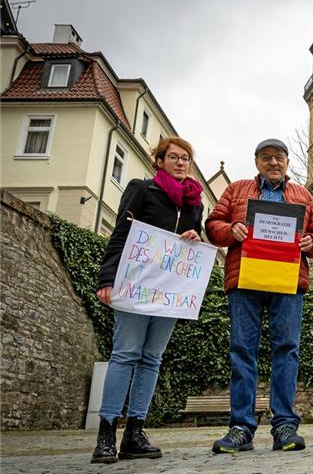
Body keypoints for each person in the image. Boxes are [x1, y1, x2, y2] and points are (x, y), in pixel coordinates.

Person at [205, 138, 313, 453]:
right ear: (257, 162)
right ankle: (241, 428)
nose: (273, 163)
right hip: (246, 279)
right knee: (242, 350)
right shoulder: (236, 190)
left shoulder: (303, 195)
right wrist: (232, 230)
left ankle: (284, 426)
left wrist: (312, 242)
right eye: (267, 158)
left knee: (287, 349)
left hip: (287, 281)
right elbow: (213, 225)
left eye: (279, 158)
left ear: (287, 162)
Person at [92, 137, 204, 464]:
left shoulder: (194, 202)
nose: (180, 163)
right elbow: (120, 235)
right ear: (159, 161)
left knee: (152, 358)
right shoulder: (142, 190)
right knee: (125, 354)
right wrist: (107, 279)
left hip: (169, 292)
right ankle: (106, 434)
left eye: (185, 158)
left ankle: (134, 434)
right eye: (173, 157)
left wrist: (196, 236)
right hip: (134, 285)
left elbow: (193, 241)